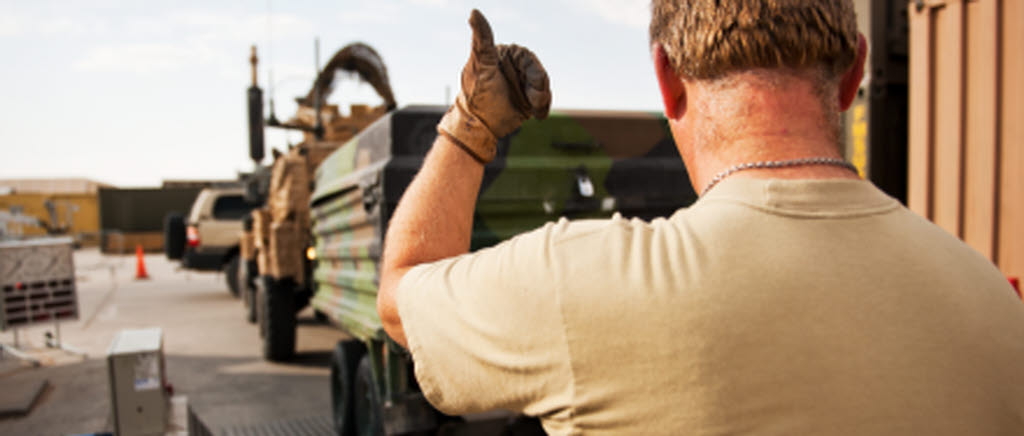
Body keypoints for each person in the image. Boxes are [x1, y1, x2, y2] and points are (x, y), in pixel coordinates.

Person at [377, 2, 1024, 435]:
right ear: (855, 71)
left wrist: (472, 124)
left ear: (667, 80)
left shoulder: (577, 285)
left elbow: (404, 296)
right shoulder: (994, 304)